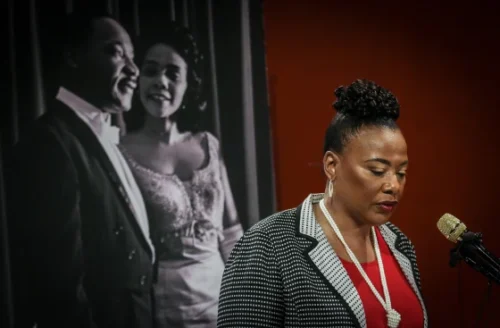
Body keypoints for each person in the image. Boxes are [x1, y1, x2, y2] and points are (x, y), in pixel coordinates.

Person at [217, 79, 428, 328]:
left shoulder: (400, 245)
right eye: (377, 170)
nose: (393, 185)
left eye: (401, 173)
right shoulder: (269, 244)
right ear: (332, 165)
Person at [6, 9, 156, 328]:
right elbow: (61, 291)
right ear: (74, 56)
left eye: (133, 57)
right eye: (116, 53)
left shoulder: (103, 136)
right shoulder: (48, 144)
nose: (133, 70)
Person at [119, 22, 243, 328]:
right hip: (164, 308)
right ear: (138, 79)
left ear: (188, 86)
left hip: (221, 300)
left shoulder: (207, 144)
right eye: (151, 70)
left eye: (173, 74)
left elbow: (231, 231)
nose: (161, 81)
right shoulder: (121, 151)